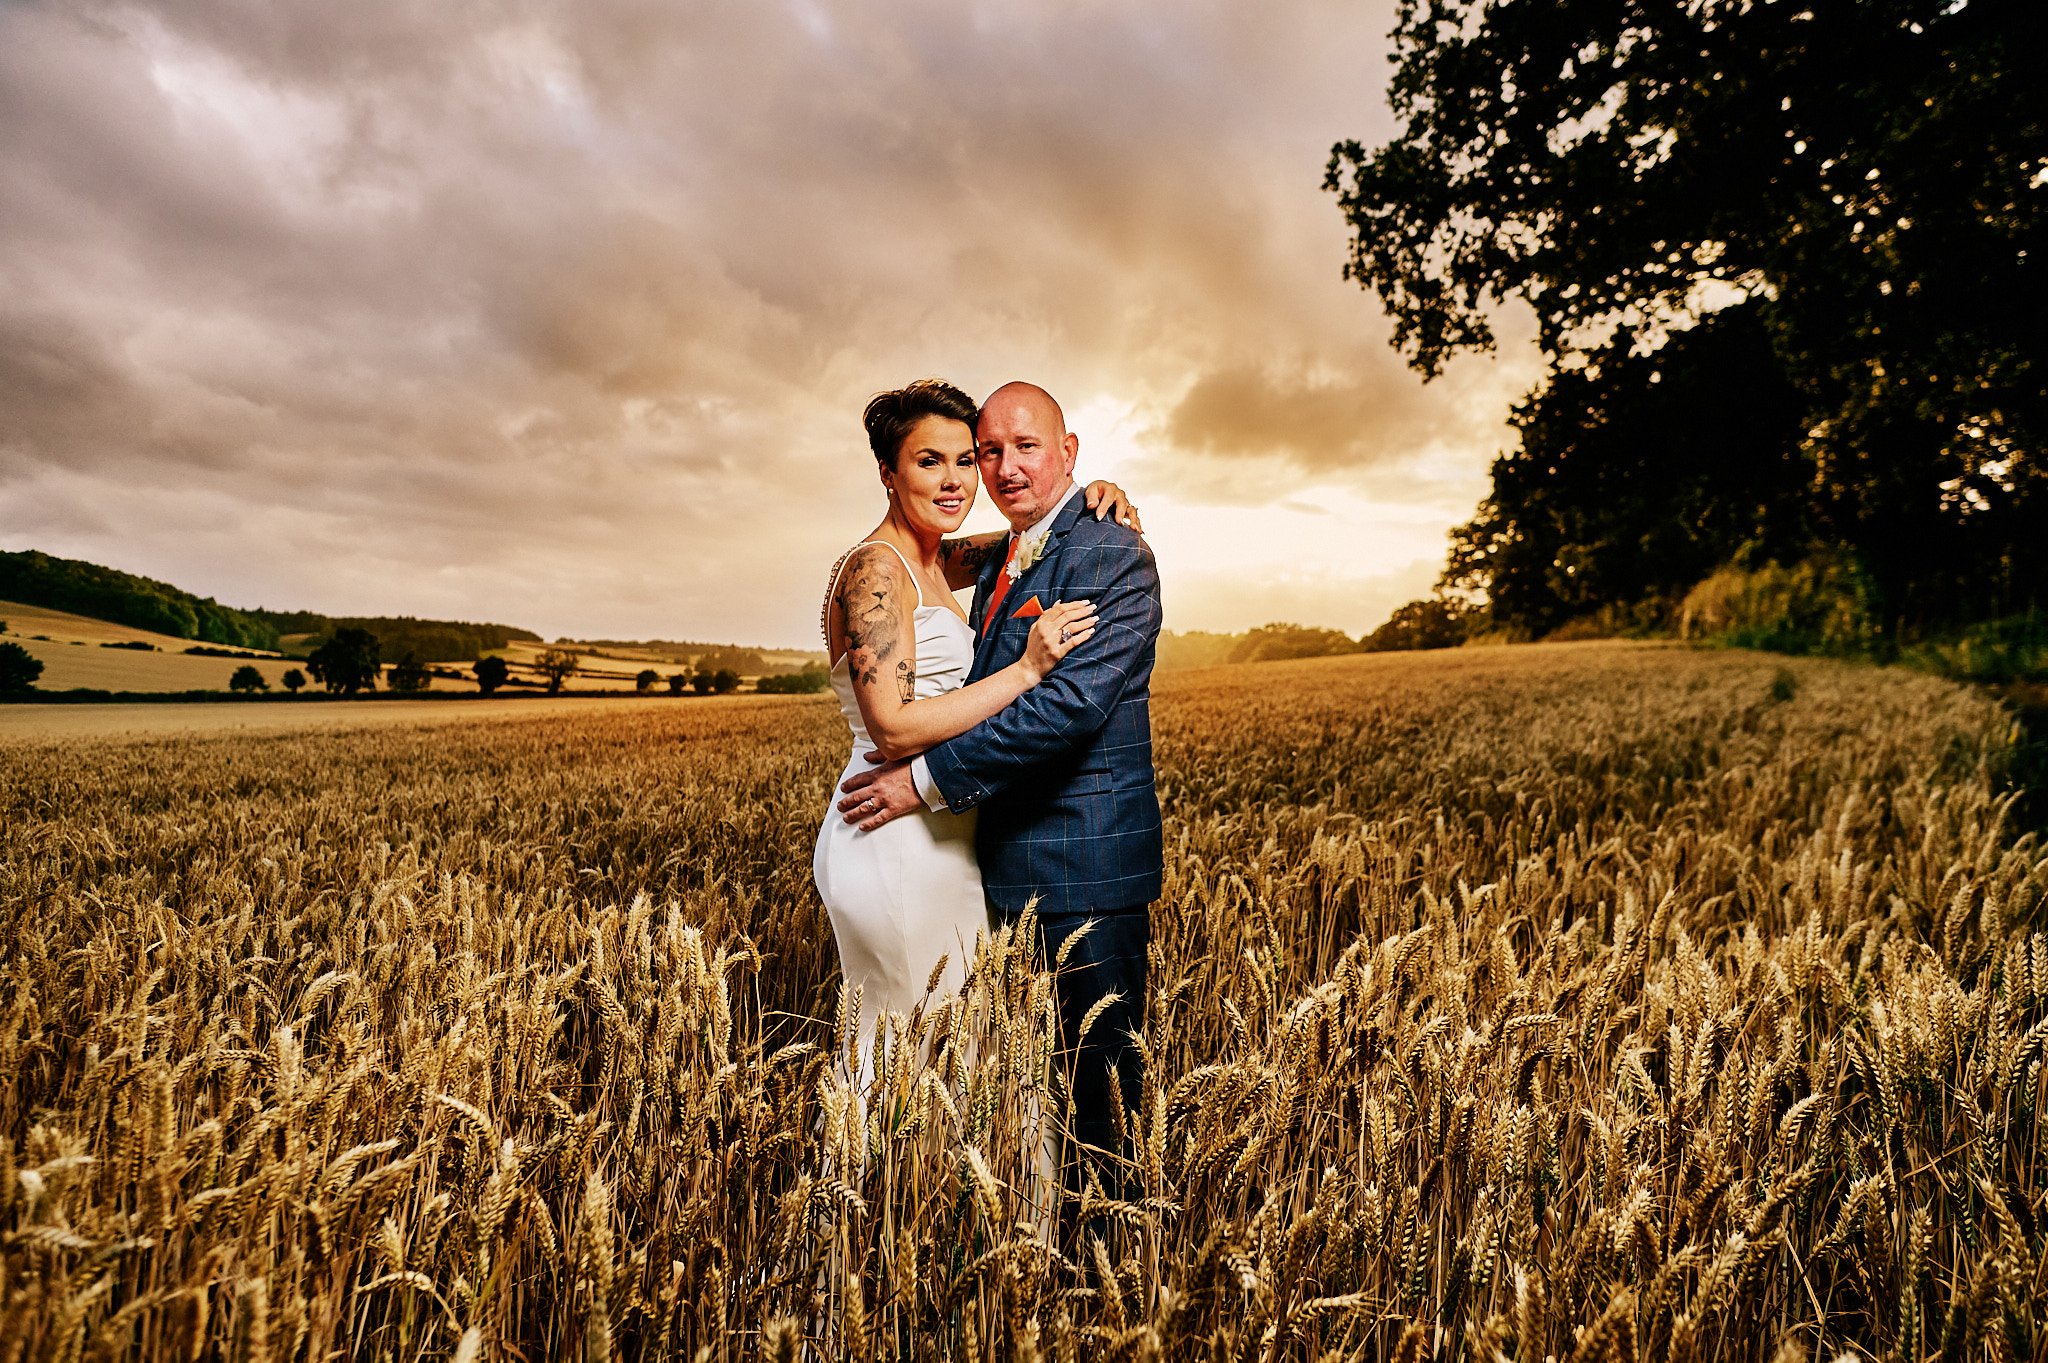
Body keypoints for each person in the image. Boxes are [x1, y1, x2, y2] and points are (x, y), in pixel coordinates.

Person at [838, 380, 1163, 1233]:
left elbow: (1073, 706)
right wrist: (1018, 671)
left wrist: (1105, 499)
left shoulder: (1099, 550)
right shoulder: (924, 564)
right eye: (984, 452)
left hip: (1075, 864)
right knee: (929, 1053)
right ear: (888, 471)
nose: (992, 469)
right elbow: (900, 716)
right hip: (926, 841)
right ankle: (897, 1238)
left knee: (1092, 1095)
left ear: (1070, 450)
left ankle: (1099, 1283)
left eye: (1026, 447)